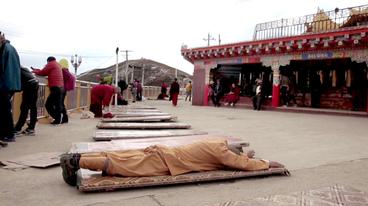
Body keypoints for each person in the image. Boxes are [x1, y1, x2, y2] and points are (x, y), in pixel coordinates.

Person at [60, 139, 285, 186]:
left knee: (122, 157)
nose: (239, 155)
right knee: (120, 167)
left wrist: (248, 156)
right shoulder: (221, 151)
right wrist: (266, 163)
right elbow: (240, 163)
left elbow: (238, 159)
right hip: (167, 162)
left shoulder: (216, 144)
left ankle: (77, 159)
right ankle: (77, 163)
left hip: (162, 152)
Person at [0, 32, 21, 142]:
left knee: (4, 109)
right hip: (11, 83)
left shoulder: (4, 49)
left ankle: (8, 134)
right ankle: (7, 133)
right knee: (5, 109)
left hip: (5, 84)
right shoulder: (10, 48)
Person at [32, 57, 64, 125]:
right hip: (60, 87)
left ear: (48, 61)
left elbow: (43, 72)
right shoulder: (57, 64)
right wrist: (37, 70)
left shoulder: (50, 64)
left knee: (48, 104)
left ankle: (57, 119)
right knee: (57, 104)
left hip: (55, 87)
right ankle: (58, 119)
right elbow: (46, 71)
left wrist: (34, 71)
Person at [14, 67, 39, 136]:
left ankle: (17, 129)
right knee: (33, 107)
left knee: (24, 107)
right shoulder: (22, 67)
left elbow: (15, 81)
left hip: (29, 85)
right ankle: (31, 128)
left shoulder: (13, 67)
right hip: (35, 83)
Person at [59, 59, 76, 124]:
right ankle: (65, 118)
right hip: (65, 89)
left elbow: (62, 80)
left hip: (62, 89)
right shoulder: (67, 71)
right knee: (61, 103)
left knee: (60, 103)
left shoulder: (63, 71)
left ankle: (63, 118)